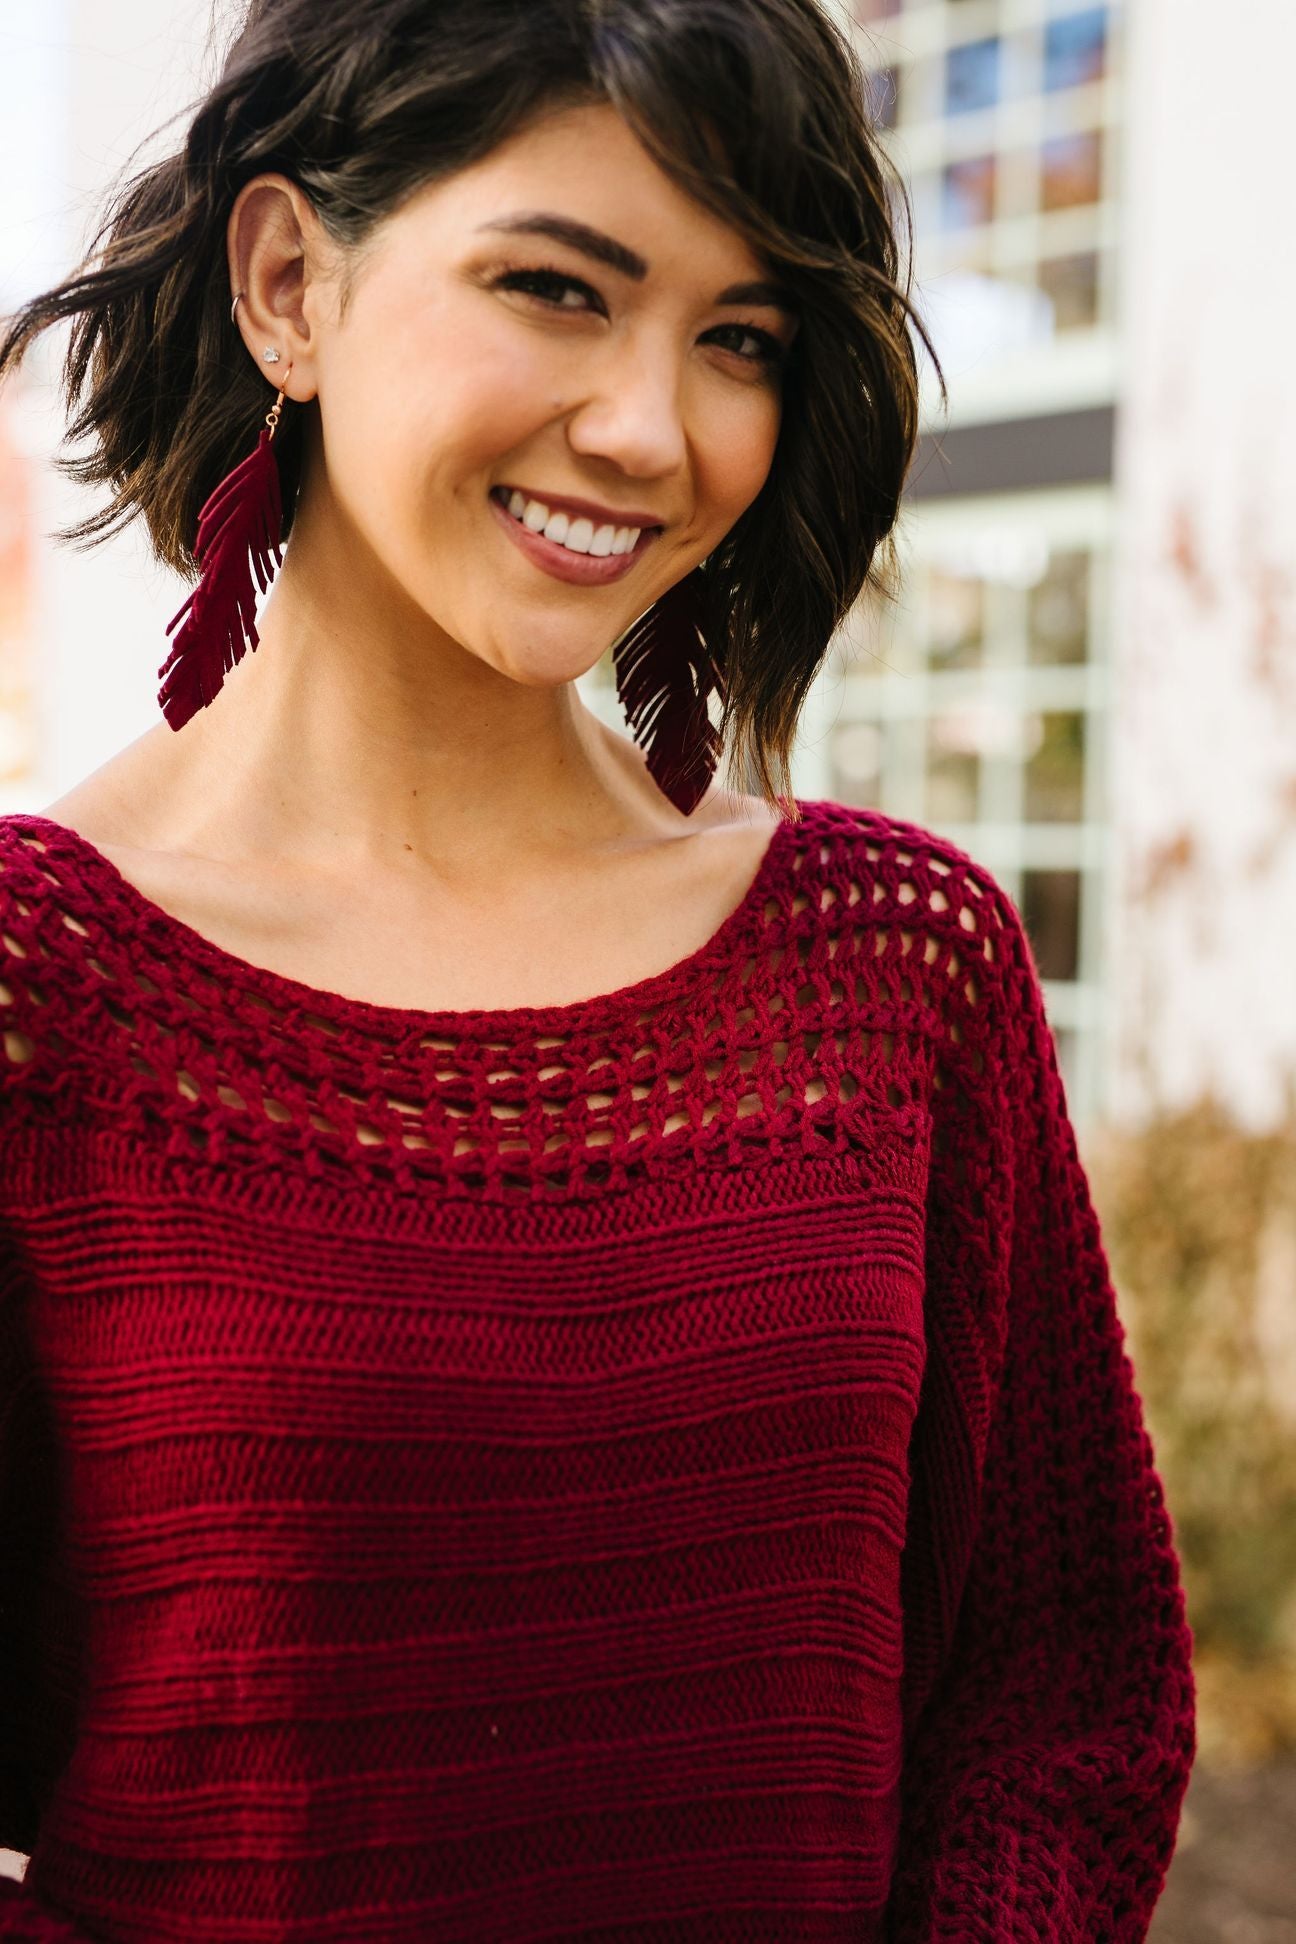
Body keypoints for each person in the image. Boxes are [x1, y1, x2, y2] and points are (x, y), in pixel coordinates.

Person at [0, 0, 1195, 1937]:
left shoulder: (891, 969)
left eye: (741, 339)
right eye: (558, 288)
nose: (656, 429)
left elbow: (1058, 1696)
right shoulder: (39, 998)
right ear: (289, 282)